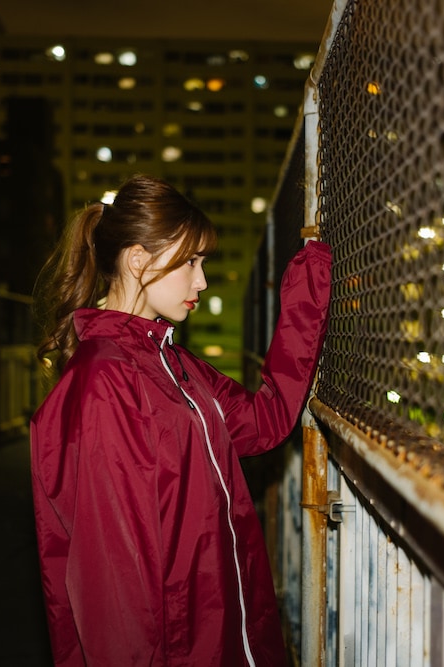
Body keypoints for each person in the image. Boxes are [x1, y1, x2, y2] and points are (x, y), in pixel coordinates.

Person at [30, 174, 331, 666]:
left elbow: (264, 421)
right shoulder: (106, 383)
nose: (201, 281)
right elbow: (115, 589)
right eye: (190, 261)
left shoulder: (171, 365)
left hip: (219, 631)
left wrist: (311, 284)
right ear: (137, 259)